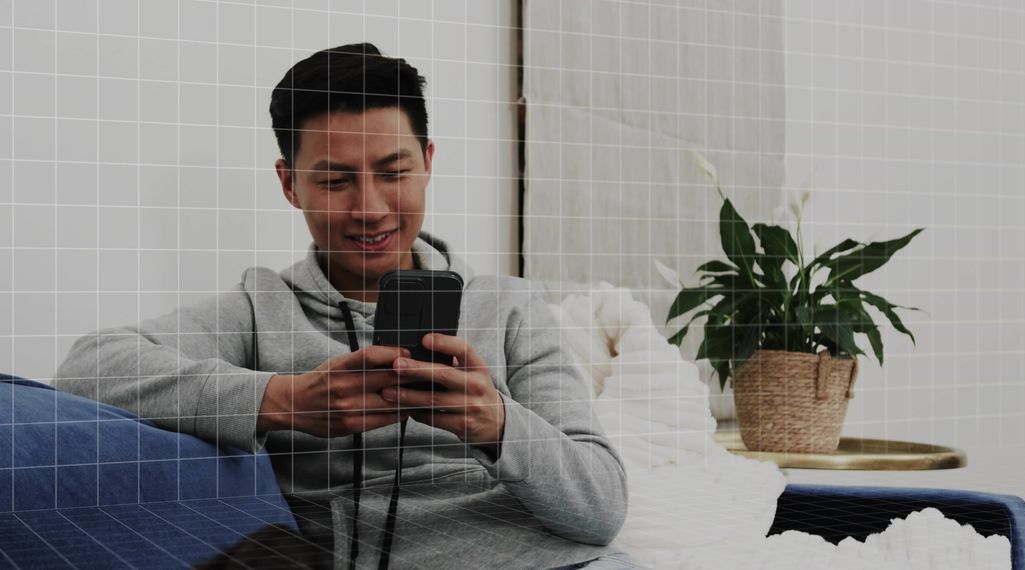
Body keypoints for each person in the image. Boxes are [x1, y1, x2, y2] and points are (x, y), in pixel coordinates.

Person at [55, 44, 632, 569]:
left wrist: (498, 425)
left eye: (394, 172)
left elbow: (601, 507)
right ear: (290, 184)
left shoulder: (508, 307)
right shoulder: (260, 309)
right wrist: (286, 400)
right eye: (335, 181)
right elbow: (88, 366)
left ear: (428, 161)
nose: (370, 209)